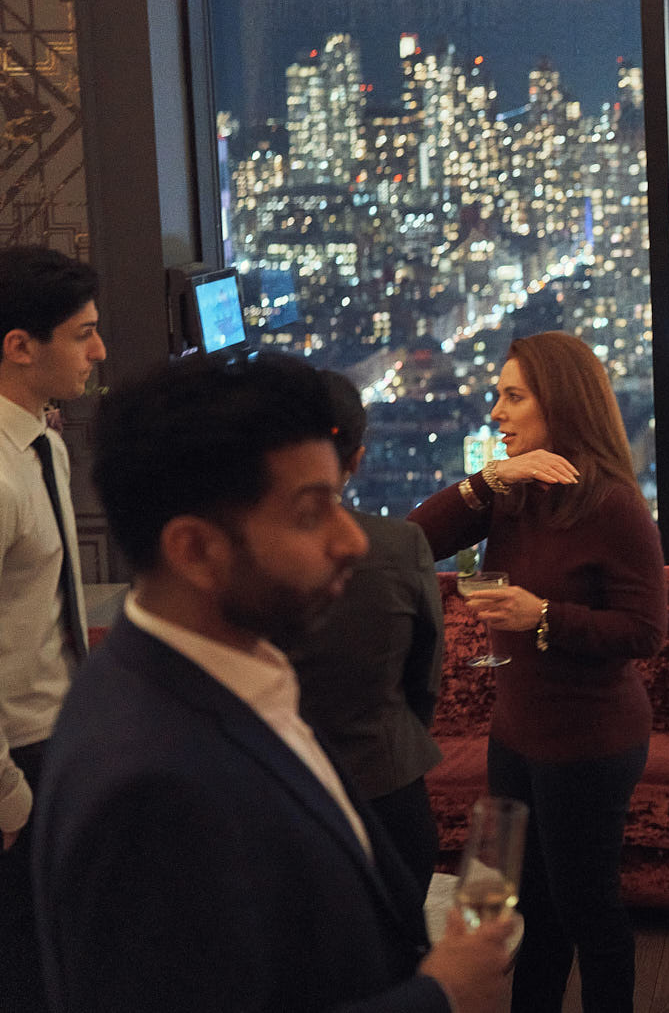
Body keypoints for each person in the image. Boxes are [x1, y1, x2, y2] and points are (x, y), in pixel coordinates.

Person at [33, 351, 513, 1013]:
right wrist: (443, 995)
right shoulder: (149, 788)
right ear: (195, 549)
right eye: (311, 512)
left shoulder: (232, 677)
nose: (352, 540)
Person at [409, 331, 666, 1013]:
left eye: (513, 397)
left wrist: (543, 615)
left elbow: (645, 631)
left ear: (560, 404)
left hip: (589, 739)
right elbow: (412, 543)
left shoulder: (612, 504)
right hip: (517, 731)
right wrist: (489, 479)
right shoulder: (514, 490)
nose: (497, 412)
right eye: (499, 395)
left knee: (588, 913)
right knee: (533, 913)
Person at [286, 369, 446, 885]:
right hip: (389, 787)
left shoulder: (232, 557)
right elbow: (425, 674)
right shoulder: (400, 546)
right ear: (356, 459)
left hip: (280, 793)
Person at [0, 246, 102, 1012]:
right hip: (14, 760)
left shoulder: (46, 442)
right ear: (20, 345)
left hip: (61, 738)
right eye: (83, 333)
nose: (100, 351)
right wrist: (5, 794)